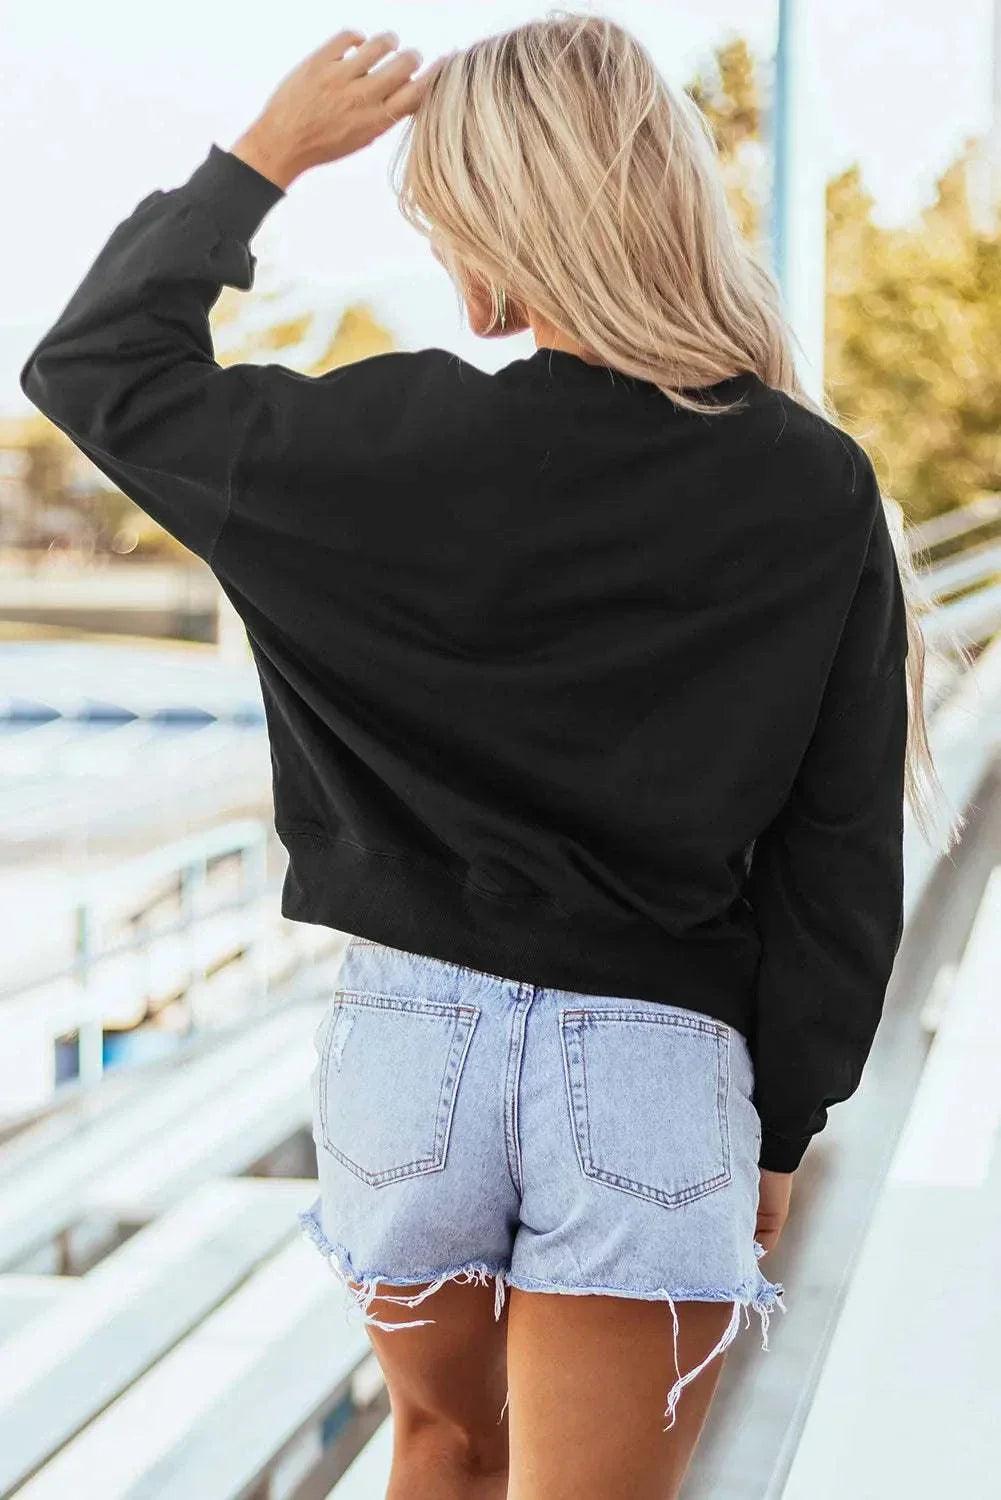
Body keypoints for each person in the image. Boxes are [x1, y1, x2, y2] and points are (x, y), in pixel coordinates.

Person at [19, 14, 943, 1498]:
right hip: (655, 1059)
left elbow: (95, 363)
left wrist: (263, 156)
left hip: (408, 1051)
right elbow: (838, 851)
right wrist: (782, 1118)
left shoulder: (372, 448)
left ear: (508, 218)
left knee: (440, 1451)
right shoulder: (805, 480)